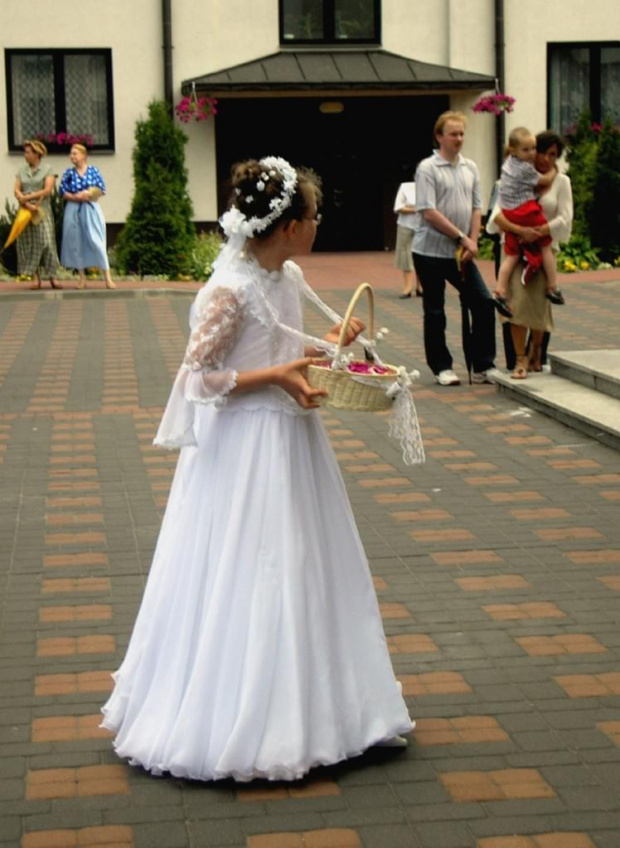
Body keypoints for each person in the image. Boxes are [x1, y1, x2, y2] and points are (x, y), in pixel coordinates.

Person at [101, 156, 415, 782]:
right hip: (244, 450)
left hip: (294, 440)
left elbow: (281, 338)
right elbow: (197, 380)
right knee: (253, 568)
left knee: (304, 564)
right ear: (291, 224)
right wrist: (275, 377)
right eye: (315, 215)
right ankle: (243, 720)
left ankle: (329, 711)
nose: (319, 224)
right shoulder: (229, 289)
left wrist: (335, 344)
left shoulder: (284, 275)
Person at [413, 111, 496, 386]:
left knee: (483, 302)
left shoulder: (470, 167)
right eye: (453, 134)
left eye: (462, 133)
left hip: (461, 253)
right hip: (430, 252)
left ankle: (484, 364)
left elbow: (476, 207)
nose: (459, 138)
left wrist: (472, 241)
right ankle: (441, 367)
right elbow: (428, 211)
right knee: (435, 311)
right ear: (440, 137)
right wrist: (462, 237)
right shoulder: (428, 168)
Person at [488, 130, 573, 379]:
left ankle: (536, 351)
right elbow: (495, 218)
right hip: (516, 248)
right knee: (516, 305)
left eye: (553, 155)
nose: (546, 158)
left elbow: (566, 218)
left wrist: (541, 230)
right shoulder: (512, 177)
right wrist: (521, 230)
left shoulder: (561, 182)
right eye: (542, 152)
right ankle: (520, 359)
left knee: (538, 307)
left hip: (543, 249)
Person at [493, 127, 563, 314]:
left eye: (533, 149)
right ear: (514, 150)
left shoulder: (508, 164)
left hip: (509, 212)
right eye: (527, 150)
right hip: (525, 211)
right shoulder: (525, 169)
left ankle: (499, 291)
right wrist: (554, 170)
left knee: (512, 256)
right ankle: (553, 286)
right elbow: (545, 181)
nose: (532, 154)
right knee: (545, 245)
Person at [58, 144, 116, 289]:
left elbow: (102, 189)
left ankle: (107, 277)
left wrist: (89, 194)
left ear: (84, 155)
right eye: (71, 154)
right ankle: (82, 277)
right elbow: (62, 191)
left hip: (90, 207)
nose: (72, 157)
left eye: (75, 154)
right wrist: (74, 197)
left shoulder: (93, 171)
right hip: (73, 208)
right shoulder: (69, 173)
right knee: (76, 241)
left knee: (97, 240)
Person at [13, 140, 61, 290]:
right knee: (30, 244)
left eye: (27, 152)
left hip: (42, 212)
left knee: (46, 242)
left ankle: (53, 276)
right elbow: (16, 189)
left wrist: (27, 197)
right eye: (25, 152)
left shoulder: (47, 169)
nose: (25, 155)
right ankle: (36, 278)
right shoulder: (22, 171)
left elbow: (47, 190)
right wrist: (26, 203)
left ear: (36, 154)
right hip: (26, 212)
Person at [393, 179, 422, 298]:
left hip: (423, 226)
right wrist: (416, 209)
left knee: (422, 256)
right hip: (405, 225)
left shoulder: (431, 188)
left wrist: (410, 207)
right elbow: (398, 207)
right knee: (405, 255)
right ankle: (408, 287)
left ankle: (421, 287)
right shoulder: (405, 187)